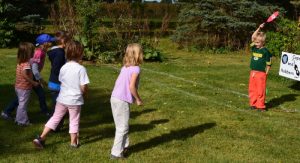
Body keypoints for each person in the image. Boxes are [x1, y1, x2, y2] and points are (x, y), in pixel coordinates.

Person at [33, 40, 89, 149]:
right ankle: (73, 143)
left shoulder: (64, 67)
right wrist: (85, 93)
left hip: (62, 99)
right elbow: (83, 86)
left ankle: (41, 137)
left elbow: (61, 80)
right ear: (80, 53)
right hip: (75, 100)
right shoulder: (81, 69)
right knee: (74, 120)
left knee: (55, 118)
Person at [1, 34, 54, 120]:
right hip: (31, 76)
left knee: (23, 97)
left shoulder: (41, 51)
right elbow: (34, 69)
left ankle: (7, 112)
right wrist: (40, 79)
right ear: (44, 43)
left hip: (32, 76)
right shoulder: (39, 53)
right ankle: (44, 111)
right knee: (28, 96)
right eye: (50, 41)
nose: (52, 42)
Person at [110, 43, 143, 159]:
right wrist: (138, 99)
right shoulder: (136, 69)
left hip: (114, 98)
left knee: (121, 125)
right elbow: (132, 87)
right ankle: (116, 153)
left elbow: (117, 82)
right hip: (121, 100)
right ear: (138, 55)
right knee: (122, 127)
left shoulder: (125, 67)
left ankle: (124, 146)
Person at [47, 31, 70, 131]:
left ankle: (55, 125)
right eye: (68, 41)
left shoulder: (54, 51)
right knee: (59, 107)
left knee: (57, 105)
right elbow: (56, 68)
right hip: (57, 83)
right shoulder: (60, 53)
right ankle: (55, 126)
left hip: (54, 82)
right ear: (63, 41)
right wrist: (64, 75)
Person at [248, 23, 272, 112]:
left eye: (258, 42)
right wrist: (259, 28)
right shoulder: (254, 48)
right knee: (252, 89)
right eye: (255, 42)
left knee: (260, 90)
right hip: (253, 72)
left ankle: (261, 106)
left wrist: (266, 73)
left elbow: (269, 64)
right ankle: (253, 104)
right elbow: (253, 37)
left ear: (263, 42)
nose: (255, 43)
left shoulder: (266, 52)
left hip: (261, 73)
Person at [14, 42, 39, 126]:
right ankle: (23, 121)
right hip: (24, 88)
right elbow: (25, 75)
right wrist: (33, 82)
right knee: (23, 105)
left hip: (18, 87)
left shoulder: (20, 62)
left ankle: (18, 119)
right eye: (32, 51)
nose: (33, 52)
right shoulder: (26, 64)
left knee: (21, 104)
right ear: (28, 53)